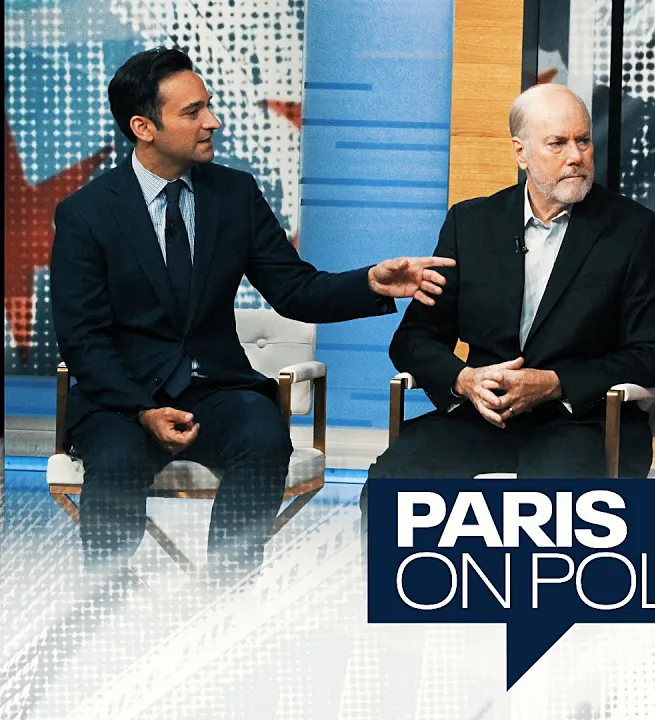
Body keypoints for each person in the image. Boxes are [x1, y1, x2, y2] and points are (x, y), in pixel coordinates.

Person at [50, 47, 454, 581]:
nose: (212, 121)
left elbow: (295, 290)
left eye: (208, 106)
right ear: (143, 128)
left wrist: (370, 283)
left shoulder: (234, 195)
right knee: (117, 460)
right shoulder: (85, 214)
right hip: (122, 399)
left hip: (214, 390)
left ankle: (227, 591)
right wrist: (144, 409)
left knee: (263, 435)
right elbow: (83, 337)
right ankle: (105, 599)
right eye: (193, 112)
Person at [360, 84, 655, 483]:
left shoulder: (632, 229)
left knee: (549, 502)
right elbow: (413, 339)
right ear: (521, 152)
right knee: (391, 484)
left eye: (583, 141)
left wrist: (555, 384)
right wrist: (464, 380)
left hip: (585, 424)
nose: (576, 156)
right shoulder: (470, 224)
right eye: (557, 144)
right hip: (484, 418)